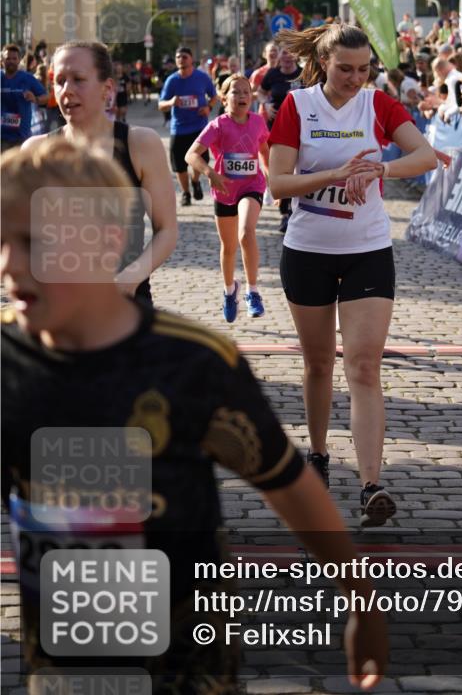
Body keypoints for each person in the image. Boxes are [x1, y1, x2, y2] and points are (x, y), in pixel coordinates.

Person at [0, 140, 387, 694]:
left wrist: (361, 599)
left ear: (107, 242)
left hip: (190, 671)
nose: (9, 266)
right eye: (1, 241)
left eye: (35, 242)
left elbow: (285, 482)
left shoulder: (192, 362)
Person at [268, 23, 436, 527]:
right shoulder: (297, 106)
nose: (355, 78)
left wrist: (380, 169)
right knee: (319, 363)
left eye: (363, 69)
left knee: (363, 366)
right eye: (345, 69)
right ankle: (318, 454)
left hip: (368, 249)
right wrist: (335, 175)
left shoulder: (378, 104)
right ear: (323, 62)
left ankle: (370, 486)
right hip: (308, 251)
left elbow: (425, 156)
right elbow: (278, 183)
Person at [23, 41, 177, 305]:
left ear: (107, 88)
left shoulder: (140, 144)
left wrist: (130, 278)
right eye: (59, 81)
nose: (67, 90)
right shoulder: (35, 151)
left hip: (124, 307)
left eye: (78, 79)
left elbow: (167, 230)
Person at [185, 74, 270, 323]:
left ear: (251, 97)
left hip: (252, 186)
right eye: (236, 92)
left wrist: (271, 176)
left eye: (246, 92)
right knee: (229, 247)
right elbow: (191, 155)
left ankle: (252, 291)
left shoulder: (258, 122)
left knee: (246, 233)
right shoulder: (218, 126)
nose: (242, 96)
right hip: (224, 191)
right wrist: (210, 173)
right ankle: (229, 291)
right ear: (223, 99)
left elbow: (264, 149)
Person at [159, 46, 217, 206]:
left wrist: (209, 108)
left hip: (199, 127)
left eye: (184, 57)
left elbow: (214, 96)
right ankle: (186, 193)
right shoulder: (172, 80)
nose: (181, 60)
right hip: (178, 128)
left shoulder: (202, 77)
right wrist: (171, 102)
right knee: (179, 165)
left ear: (191, 59)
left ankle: (195, 180)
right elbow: (161, 105)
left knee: (200, 159)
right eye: (178, 57)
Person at [257, 46, 302, 233]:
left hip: (301, 128)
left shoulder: (303, 74)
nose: (288, 56)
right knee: (283, 170)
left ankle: (296, 210)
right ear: (280, 56)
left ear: (296, 56)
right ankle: (285, 213)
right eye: (284, 53)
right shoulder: (272, 74)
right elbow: (260, 91)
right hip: (277, 129)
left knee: (297, 170)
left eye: (291, 53)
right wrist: (266, 104)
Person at [1, 43, 47, 152]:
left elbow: (46, 97)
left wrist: (35, 99)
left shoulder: (27, 78)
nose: (11, 61)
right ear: (2, 60)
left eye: (14, 58)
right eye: (8, 58)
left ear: (19, 60)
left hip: (21, 137)